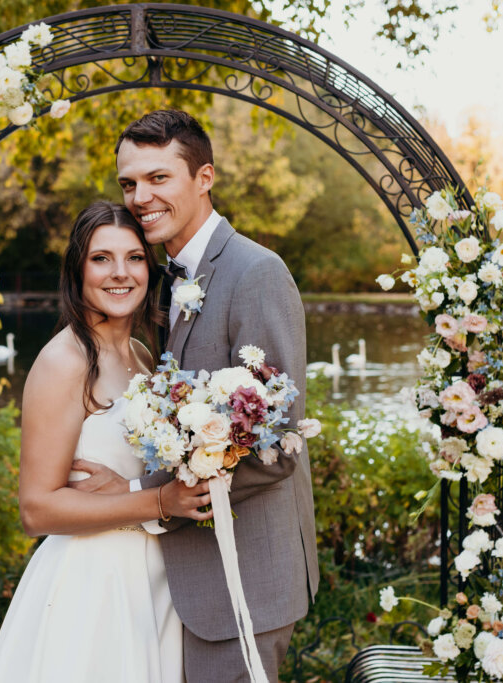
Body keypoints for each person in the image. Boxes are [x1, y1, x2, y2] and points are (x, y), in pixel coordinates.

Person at [71, 110, 320, 682]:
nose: (139, 196)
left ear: (204, 177)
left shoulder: (256, 272)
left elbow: (275, 447)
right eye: (128, 183)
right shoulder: (165, 276)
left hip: (242, 579)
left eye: (159, 178)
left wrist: (138, 495)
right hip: (185, 579)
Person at [0, 201, 210, 682]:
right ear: (77, 270)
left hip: (153, 581)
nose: (120, 273)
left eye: (133, 257)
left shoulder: (144, 356)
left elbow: (138, 478)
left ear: (150, 269)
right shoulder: (64, 361)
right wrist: (160, 500)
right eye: (101, 258)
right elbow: (36, 510)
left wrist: (141, 491)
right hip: (92, 586)